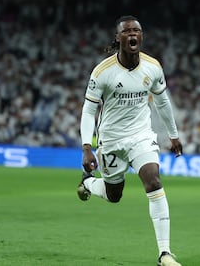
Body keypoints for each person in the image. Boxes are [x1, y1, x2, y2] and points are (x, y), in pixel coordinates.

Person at [77, 15, 183, 266]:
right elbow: (88, 110)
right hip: (111, 141)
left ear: (141, 36)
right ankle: (89, 183)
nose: (132, 34)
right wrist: (86, 147)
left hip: (141, 137)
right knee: (114, 195)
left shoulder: (152, 67)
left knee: (153, 181)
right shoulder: (102, 72)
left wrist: (173, 134)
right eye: (127, 31)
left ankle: (165, 253)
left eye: (137, 30)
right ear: (118, 38)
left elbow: (162, 102)